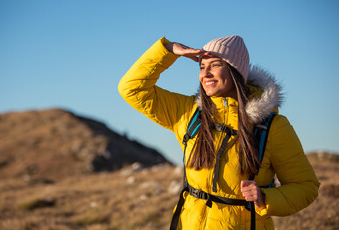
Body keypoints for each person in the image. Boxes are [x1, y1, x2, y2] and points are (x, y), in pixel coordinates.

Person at [118, 35, 319, 229]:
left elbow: (306, 186)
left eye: (215, 65)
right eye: (202, 66)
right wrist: (168, 50)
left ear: (235, 71)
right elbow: (131, 88)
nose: (205, 74)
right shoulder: (189, 113)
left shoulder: (272, 126)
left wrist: (265, 198)